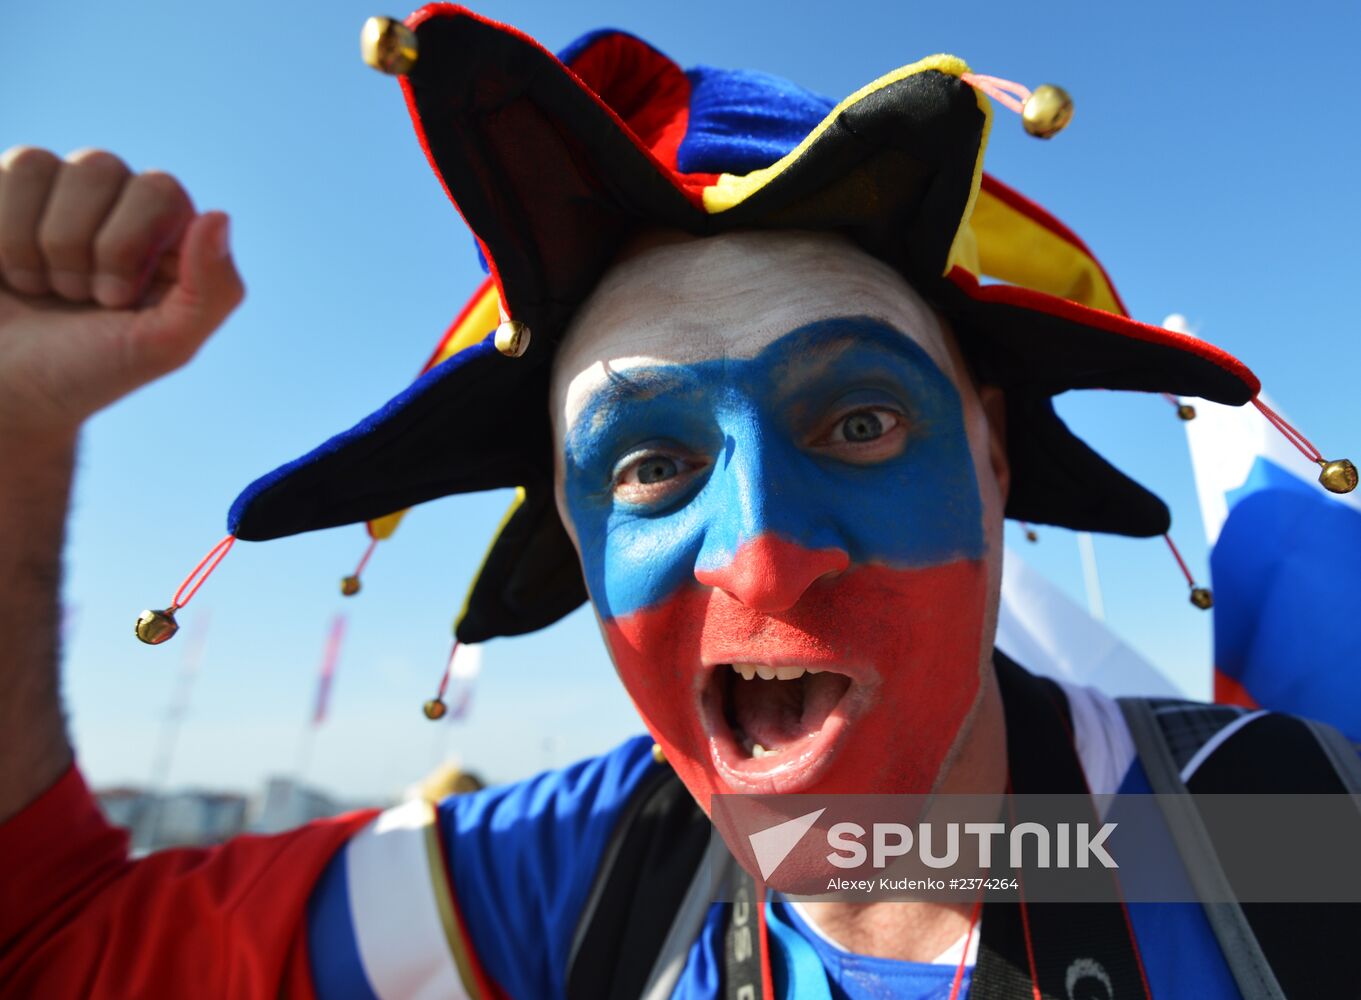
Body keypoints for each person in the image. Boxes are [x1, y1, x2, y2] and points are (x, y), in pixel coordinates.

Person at [1, 8, 1357, 999]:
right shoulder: (563, 876)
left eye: (862, 421)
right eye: (649, 463)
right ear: (577, 534)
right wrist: (15, 422)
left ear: (992, 457)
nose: (762, 558)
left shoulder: (1286, 840)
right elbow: (49, 954)